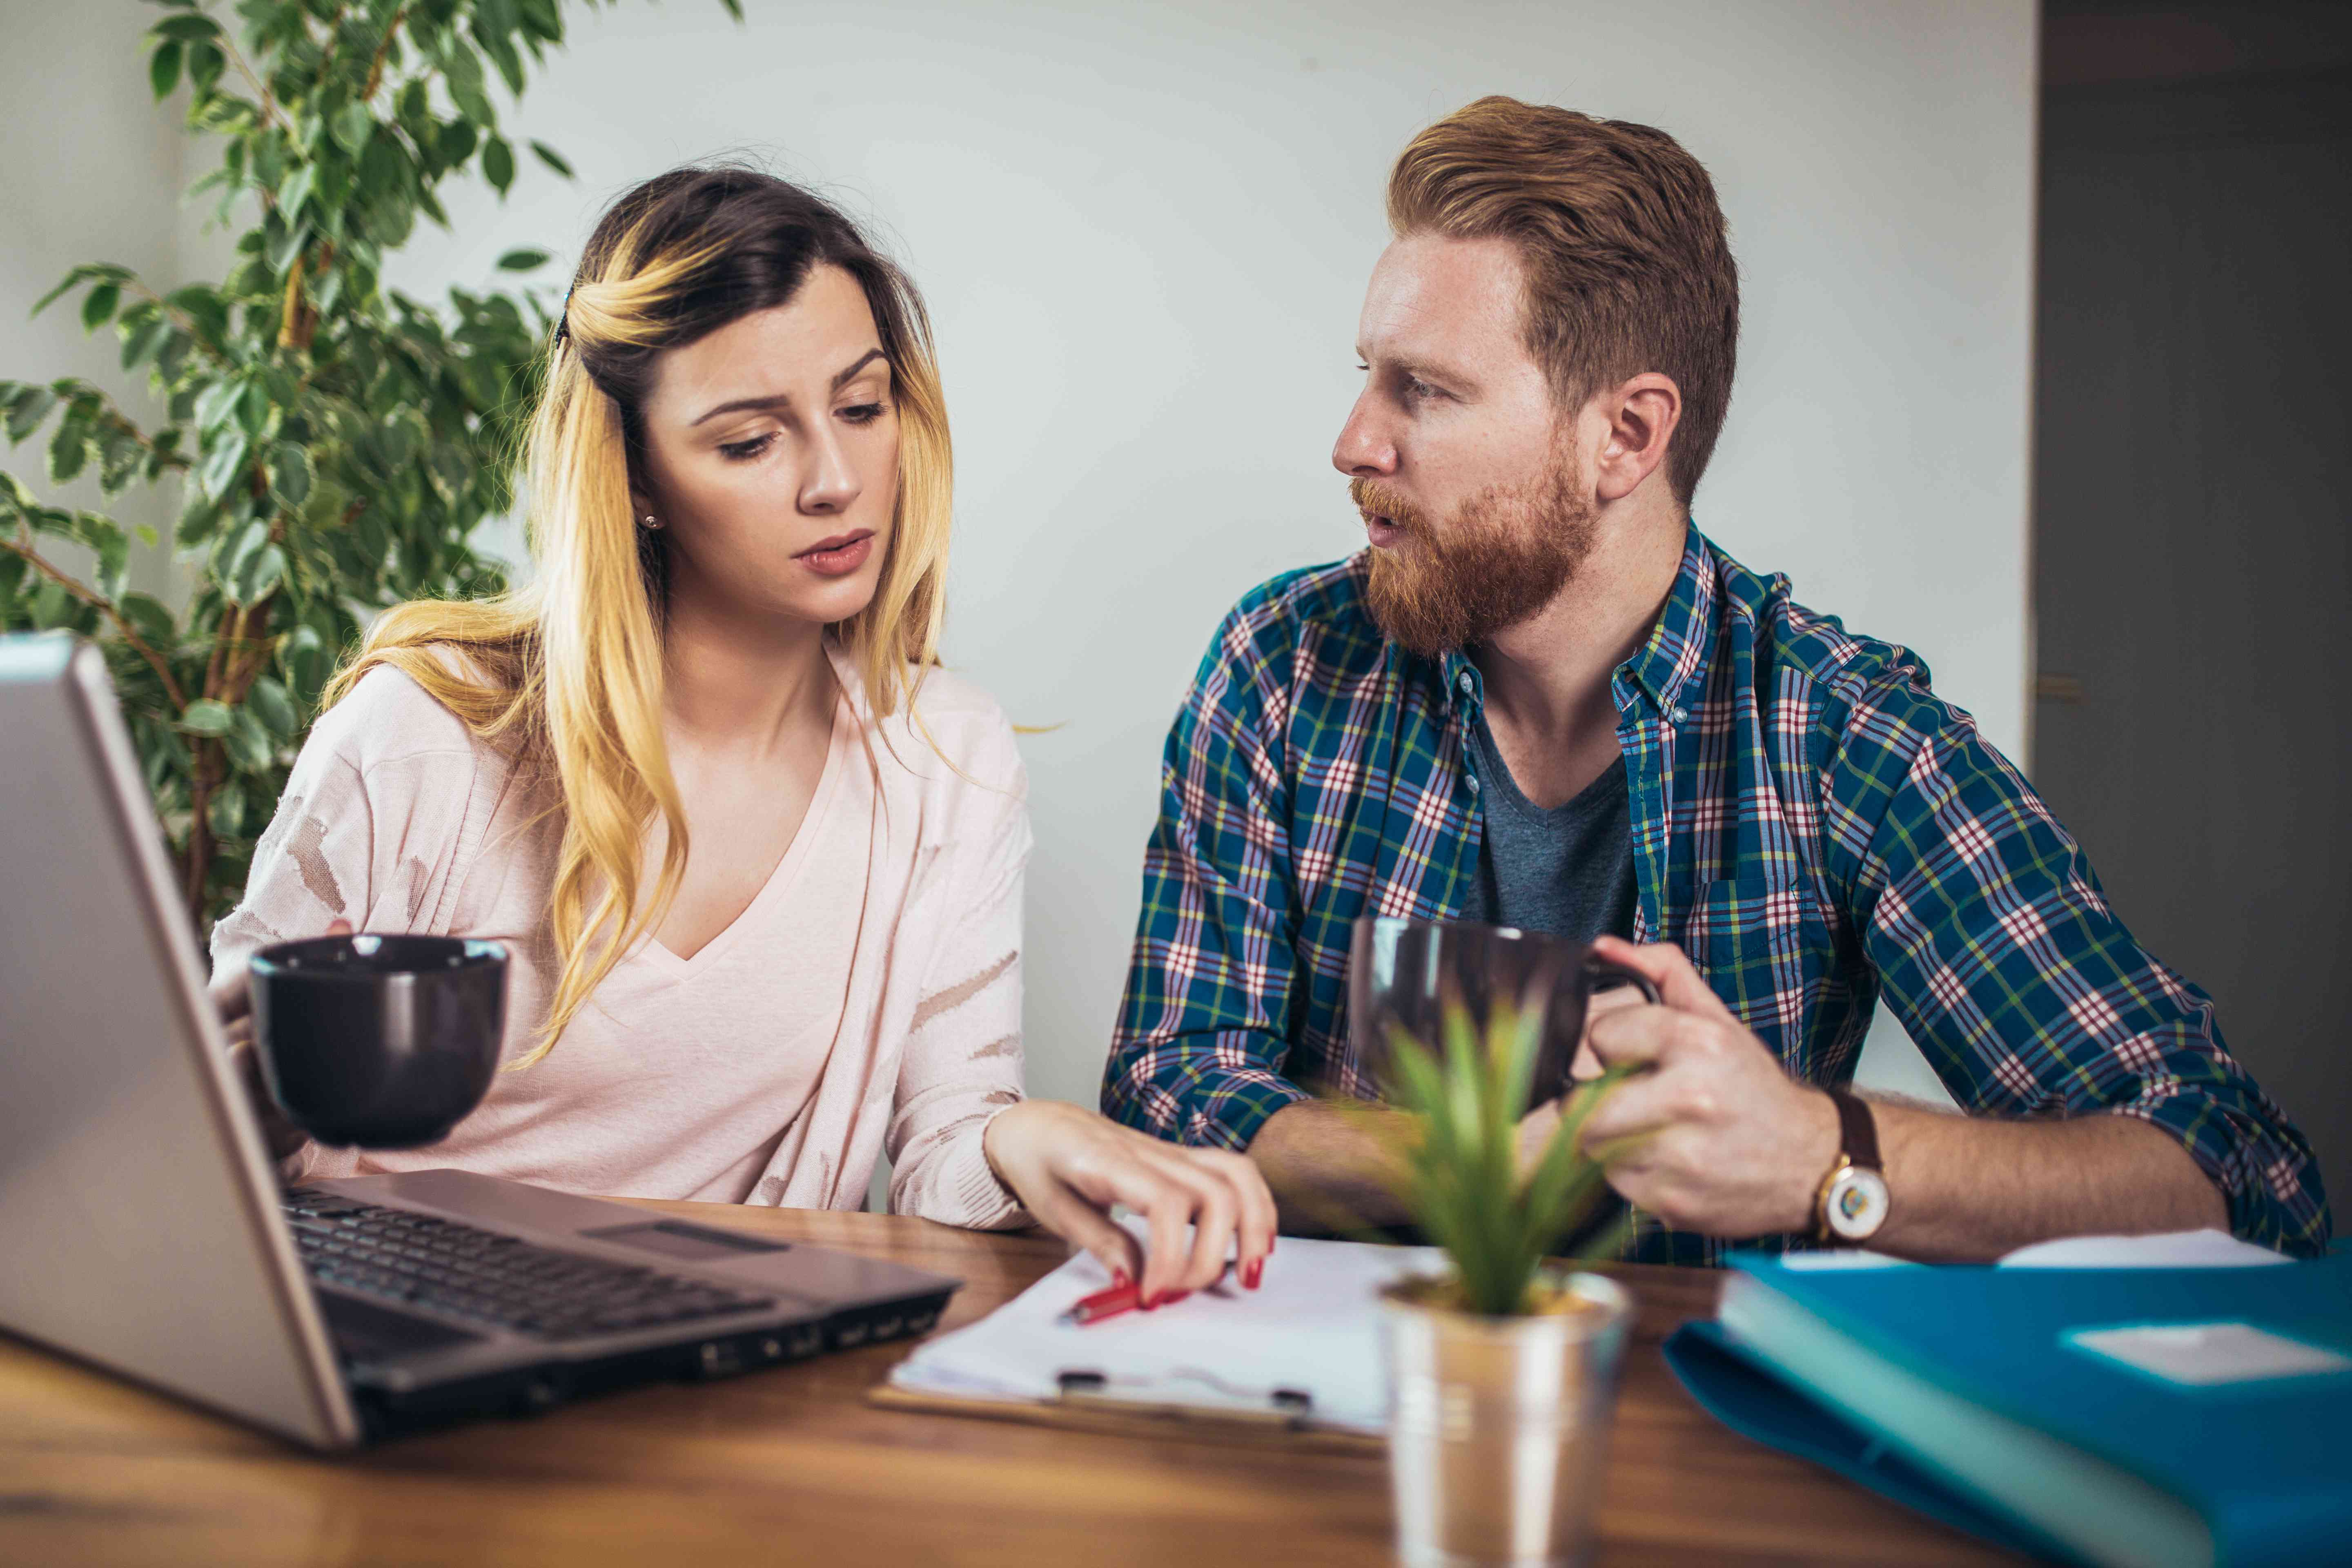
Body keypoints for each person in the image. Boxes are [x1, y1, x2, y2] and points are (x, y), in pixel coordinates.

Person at [1102, 97, 2330, 1263]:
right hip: (1333, 1412)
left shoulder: (1843, 736)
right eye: (1370, 372)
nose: (1354, 441)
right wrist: (1469, 1161)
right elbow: (1169, 1081)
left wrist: (1821, 1154)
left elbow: (2244, 1182)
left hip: (1699, 1433)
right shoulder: (1287, 664)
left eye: (1423, 389)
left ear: (1627, 437)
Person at [212, 166, 1271, 1306]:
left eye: (862, 410)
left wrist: (1026, 1140)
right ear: (639, 481)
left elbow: (942, 1156)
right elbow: (188, 1127)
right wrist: (268, 1080)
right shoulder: (428, 735)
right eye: (749, 441)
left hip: (704, 1375)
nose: (835, 481)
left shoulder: (943, 760)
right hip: (384, 1337)